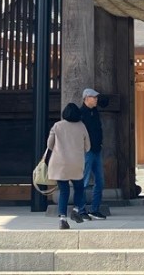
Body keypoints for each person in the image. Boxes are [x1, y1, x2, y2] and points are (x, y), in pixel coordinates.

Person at [47, 102, 90, 229]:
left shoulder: (57, 126)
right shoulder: (81, 126)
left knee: (64, 191)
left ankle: (62, 219)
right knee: (79, 188)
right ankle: (76, 210)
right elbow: (88, 147)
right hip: (76, 163)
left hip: (60, 163)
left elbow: (49, 145)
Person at [79, 87, 106, 219]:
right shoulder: (80, 114)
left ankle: (94, 208)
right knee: (83, 181)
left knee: (100, 181)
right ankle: (81, 209)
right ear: (86, 98)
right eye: (93, 97)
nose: (96, 99)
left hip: (96, 149)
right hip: (86, 151)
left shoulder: (95, 112)